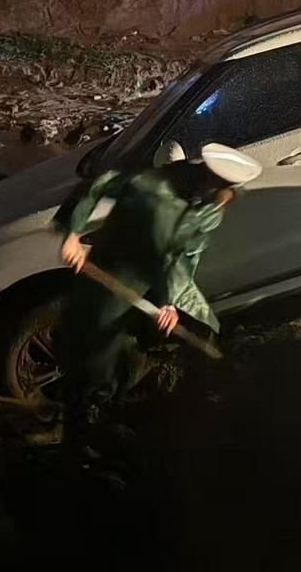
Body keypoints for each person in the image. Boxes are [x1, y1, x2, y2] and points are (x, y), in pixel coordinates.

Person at [55, 142, 262, 434]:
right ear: (210, 179)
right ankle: (92, 409)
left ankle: (210, 396)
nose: (226, 197)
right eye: (225, 189)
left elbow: (186, 256)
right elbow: (97, 187)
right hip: (118, 273)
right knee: (100, 341)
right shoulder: (150, 184)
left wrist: (170, 303)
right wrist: (73, 233)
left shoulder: (208, 208)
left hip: (164, 282)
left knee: (205, 328)